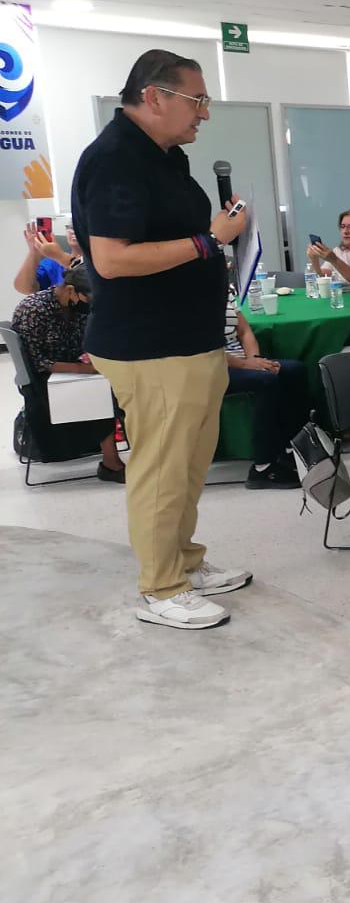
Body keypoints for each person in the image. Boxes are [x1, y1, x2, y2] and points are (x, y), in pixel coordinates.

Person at [72, 48, 251, 630]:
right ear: (155, 97)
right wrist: (208, 241)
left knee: (191, 463)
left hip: (189, 337)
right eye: (196, 101)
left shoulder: (165, 156)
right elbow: (113, 259)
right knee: (161, 468)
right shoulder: (116, 159)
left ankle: (184, 561)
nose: (204, 114)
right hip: (149, 344)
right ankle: (161, 588)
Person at [9, 264, 124, 479]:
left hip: (70, 371)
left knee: (116, 381)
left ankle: (116, 456)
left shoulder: (77, 309)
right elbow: (37, 362)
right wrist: (84, 369)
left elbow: (86, 343)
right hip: (42, 380)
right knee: (100, 390)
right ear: (71, 290)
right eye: (88, 299)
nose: (89, 305)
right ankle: (111, 461)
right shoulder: (34, 309)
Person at [222, 287, 310, 489]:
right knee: (266, 381)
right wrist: (246, 365)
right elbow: (204, 348)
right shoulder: (188, 296)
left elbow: (244, 331)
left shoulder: (224, 289)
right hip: (212, 367)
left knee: (294, 370)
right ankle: (263, 467)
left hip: (242, 361)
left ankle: (292, 449)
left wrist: (254, 360)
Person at [12, 221, 76, 294]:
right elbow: (25, 289)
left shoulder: (90, 262)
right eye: (71, 227)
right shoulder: (53, 262)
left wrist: (61, 257)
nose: (74, 231)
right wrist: (33, 253)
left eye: (81, 226)